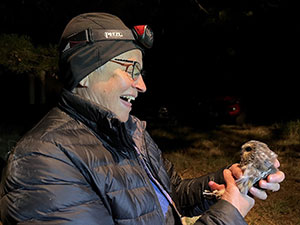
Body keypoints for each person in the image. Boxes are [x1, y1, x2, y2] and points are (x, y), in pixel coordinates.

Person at [0, 12, 284, 225]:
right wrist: (230, 212)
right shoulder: (43, 161)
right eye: (130, 69)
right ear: (85, 73)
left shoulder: (129, 129)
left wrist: (226, 184)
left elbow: (170, 194)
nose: (142, 85)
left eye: (141, 72)